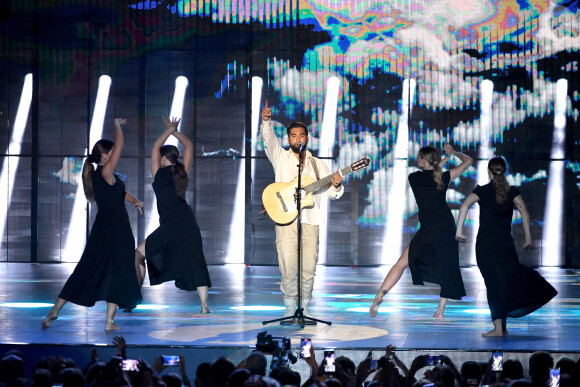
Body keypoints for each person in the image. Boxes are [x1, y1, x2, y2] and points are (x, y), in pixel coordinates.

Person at [41, 118, 144, 331]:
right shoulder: (104, 173)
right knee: (112, 271)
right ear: (101, 156)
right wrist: (116, 125)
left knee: (92, 270)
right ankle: (103, 320)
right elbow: (121, 145)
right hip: (116, 231)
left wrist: (136, 201)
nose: (111, 154)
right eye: (107, 152)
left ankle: (62, 312)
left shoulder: (103, 176)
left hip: (106, 230)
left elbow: (120, 193)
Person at [261, 101, 344, 323]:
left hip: (310, 221)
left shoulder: (318, 165)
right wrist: (266, 122)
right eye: (293, 136)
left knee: (308, 267)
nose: (298, 139)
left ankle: (305, 306)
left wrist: (335, 184)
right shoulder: (280, 157)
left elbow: (331, 194)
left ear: (307, 138)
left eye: (302, 135)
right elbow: (268, 142)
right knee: (288, 266)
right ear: (288, 139)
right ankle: (290, 307)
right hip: (286, 220)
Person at [455, 157, 557, 337]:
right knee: (505, 281)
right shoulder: (512, 192)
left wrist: (459, 231)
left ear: (489, 171)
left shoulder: (483, 191)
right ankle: (502, 326)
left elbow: (464, 206)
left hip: (486, 246)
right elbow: (525, 213)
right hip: (504, 244)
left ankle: (497, 328)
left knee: (493, 284)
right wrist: (527, 239)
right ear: (504, 171)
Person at [370, 143, 472, 318]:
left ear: (424, 161)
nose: (417, 159)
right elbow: (468, 161)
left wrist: (444, 158)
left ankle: (380, 295)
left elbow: (434, 171)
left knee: (402, 262)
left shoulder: (414, 178)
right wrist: (452, 153)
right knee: (449, 267)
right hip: (446, 228)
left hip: (428, 229)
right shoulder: (444, 177)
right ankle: (439, 311)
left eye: (419, 157)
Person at [135, 116, 211, 313]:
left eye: (159, 156)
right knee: (196, 261)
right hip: (186, 222)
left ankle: (133, 295)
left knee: (138, 255)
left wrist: (169, 130)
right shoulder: (182, 170)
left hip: (169, 226)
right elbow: (189, 145)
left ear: (163, 158)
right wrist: (174, 130)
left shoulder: (158, 173)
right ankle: (204, 306)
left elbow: (155, 145)